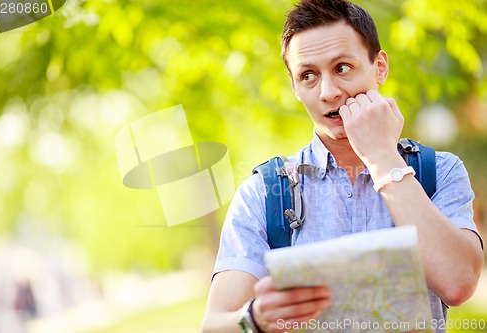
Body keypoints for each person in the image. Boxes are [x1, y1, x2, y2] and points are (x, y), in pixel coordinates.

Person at [201, 0, 484, 332]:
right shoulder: (263, 194)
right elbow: (215, 324)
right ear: (294, 86)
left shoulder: (439, 172)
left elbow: (459, 283)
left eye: (342, 68)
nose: (329, 92)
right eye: (308, 75)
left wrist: (381, 157)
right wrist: (256, 318)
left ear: (379, 67)